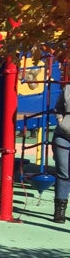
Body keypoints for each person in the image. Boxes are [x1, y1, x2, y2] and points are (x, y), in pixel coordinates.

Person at [53, 83, 69, 223]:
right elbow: (58, 108)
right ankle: (60, 210)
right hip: (63, 135)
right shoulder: (68, 89)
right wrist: (60, 120)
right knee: (63, 172)